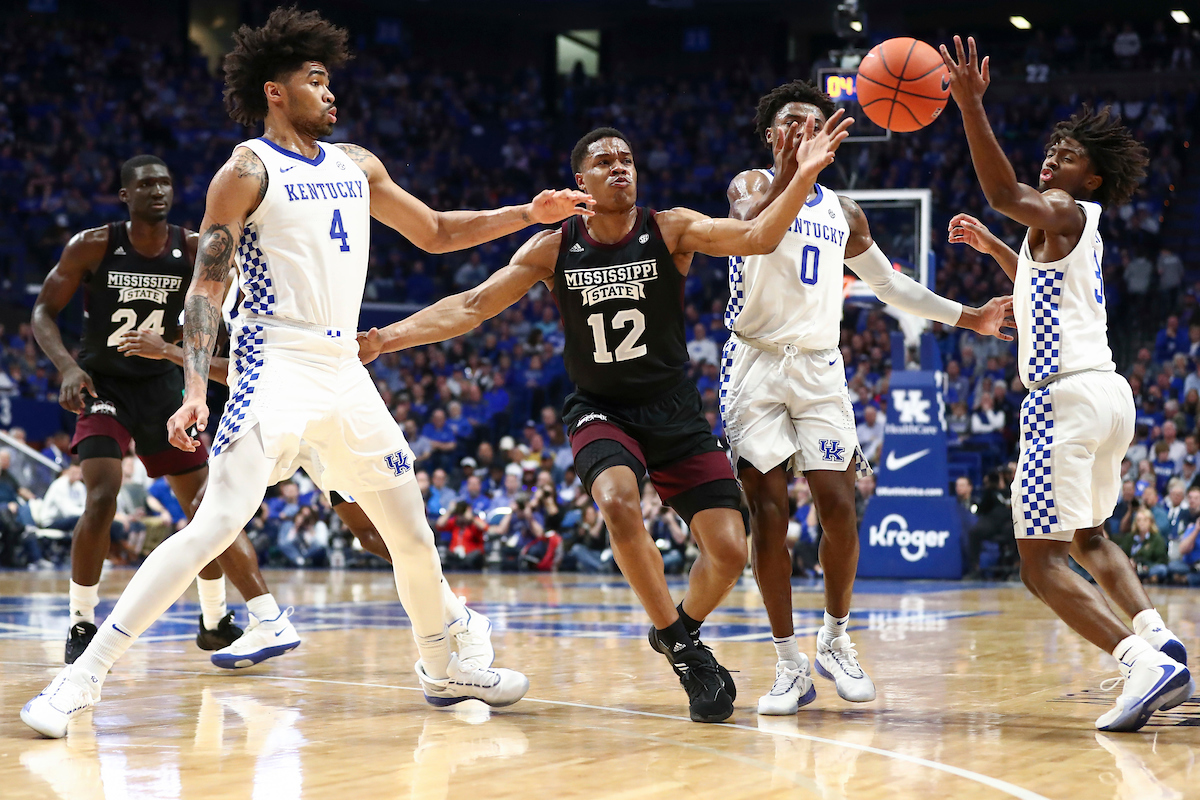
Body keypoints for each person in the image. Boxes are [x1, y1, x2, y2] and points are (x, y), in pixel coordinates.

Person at [21, 7, 591, 739]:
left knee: (412, 535)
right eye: (315, 80)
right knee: (213, 525)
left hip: (344, 365)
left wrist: (526, 212)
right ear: (275, 91)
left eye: (329, 80)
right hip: (274, 362)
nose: (330, 92)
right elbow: (205, 290)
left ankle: (442, 666)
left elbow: (436, 231)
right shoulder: (245, 171)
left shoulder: (357, 163)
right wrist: (194, 390)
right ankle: (78, 682)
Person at [357, 111, 854, 722]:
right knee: (618, 501)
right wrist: (386, 338)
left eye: (627, 160)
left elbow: (757, 238)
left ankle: (677, 630)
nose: (620, 168)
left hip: (673, 410)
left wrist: (802, 176)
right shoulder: (553, 247)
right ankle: (687, 655)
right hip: (601, 409)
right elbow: (472, 306)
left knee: (729, 551)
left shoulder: (671, 228)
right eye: (605, 162)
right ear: (580, 182)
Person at [721, 79, 1014, 715]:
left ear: (831, 139)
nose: (801, 129)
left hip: (820, 368)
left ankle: (835, 639)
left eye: (813, 121)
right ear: (770, 135)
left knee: (839, 506)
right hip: (755, 366)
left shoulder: (845, 213)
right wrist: (795, 172)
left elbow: (891, 287)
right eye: (789, 121)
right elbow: (755, 227)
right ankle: (788, 662)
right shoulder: (750, 185)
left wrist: (972, 317)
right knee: (768, 514)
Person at [941, 35, 1191, 732]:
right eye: (1053, 148)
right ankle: (1159, 637)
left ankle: (1141, 664)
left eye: (1070, 155)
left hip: (1064, 399)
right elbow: (1036, 288)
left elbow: (1003, 193)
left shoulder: (1064, 211)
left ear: (1093, 180)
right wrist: (995, 247)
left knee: (1039, 564)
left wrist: (970, 106)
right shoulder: (1066, 235)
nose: (1054, 157)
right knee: (1090, 538)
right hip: (1107, 395)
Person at [31, 153, 284, 666]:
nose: (158, 191)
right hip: (104, 384)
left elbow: (219, 310)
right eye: (146, 184)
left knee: (204, 510)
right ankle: (82, 620)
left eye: (165, 183)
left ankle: (214, 620)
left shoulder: (192, 248)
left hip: (165, 386)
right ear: (125, 195)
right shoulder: (94, 245)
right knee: (102, 495)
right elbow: (42, 312)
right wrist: (67, 368)